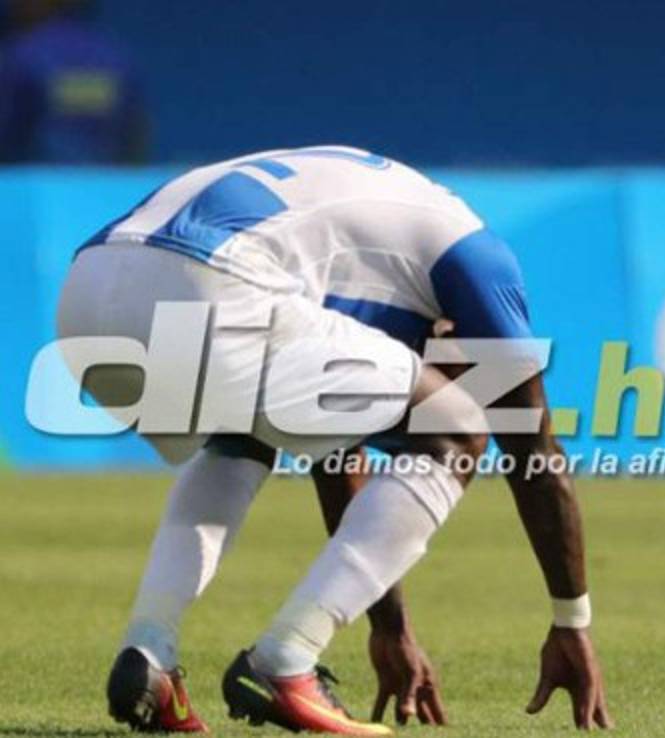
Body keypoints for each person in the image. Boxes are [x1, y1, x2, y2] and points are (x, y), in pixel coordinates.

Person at [56, 145, 611, 733]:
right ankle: (285, 662)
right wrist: (571, 620)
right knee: (458, 426)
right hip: (209, 282)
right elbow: (533, 449)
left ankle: (148, 652)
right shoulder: (480, 261)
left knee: (242, 431)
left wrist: (389, 627)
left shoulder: (374, 243)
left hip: (86, 293)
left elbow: (333, 444)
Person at [0, 0, 149, 163]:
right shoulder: (115, 55)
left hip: (34, 175)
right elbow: (136, 133)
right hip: (105, 175)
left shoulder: (22, 55)